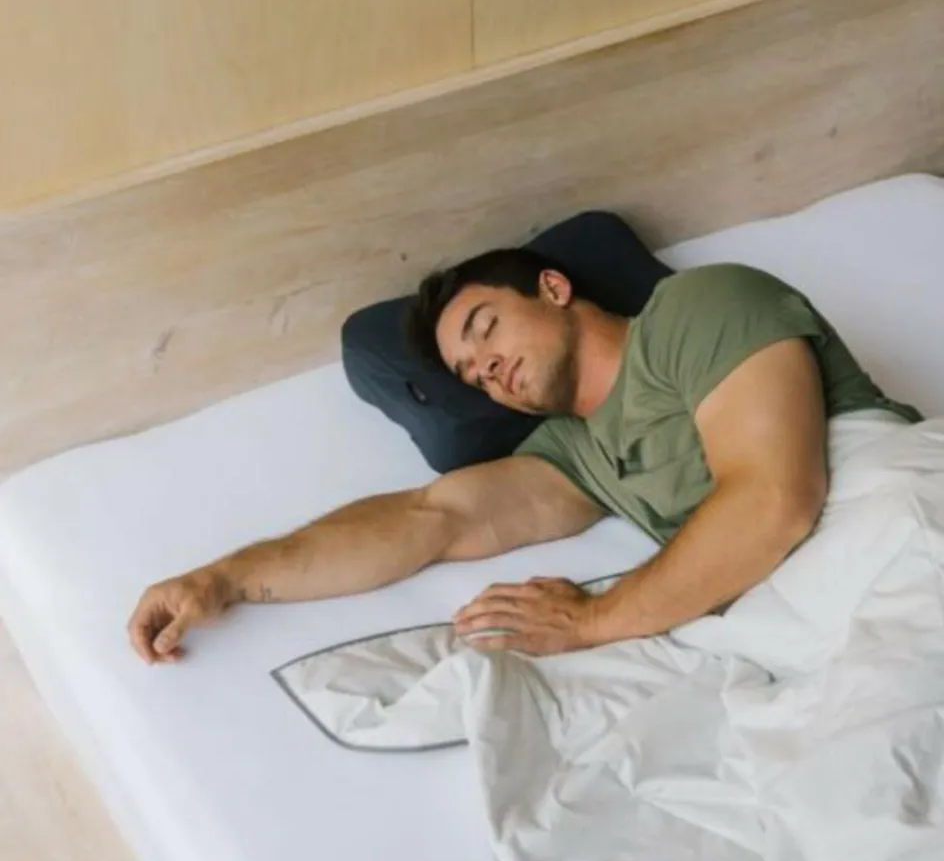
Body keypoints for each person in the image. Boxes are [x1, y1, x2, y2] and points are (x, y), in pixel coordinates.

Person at [127, 251, 921, 664]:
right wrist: (225, 578)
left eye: (486, 329)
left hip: (902, 520)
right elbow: (427, 520)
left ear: (552, 287)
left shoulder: (699, 306)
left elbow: (775, 500)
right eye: (472, 375)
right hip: (824, 613)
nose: (488, 368)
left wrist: (593, 619)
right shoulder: (572, 458)